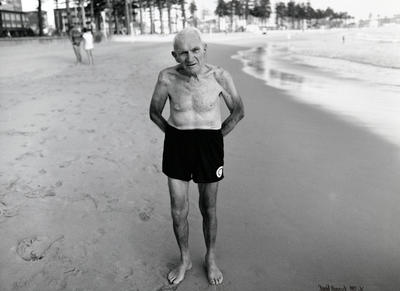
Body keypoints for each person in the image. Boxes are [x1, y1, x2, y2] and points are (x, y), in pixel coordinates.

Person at [149, 27, 244, 286]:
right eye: (182, 53)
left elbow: (238, 111)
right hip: (177, 144)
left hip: (208, 145)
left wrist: (215, 138)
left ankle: (210, 258)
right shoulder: (166, 77)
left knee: (208, 208)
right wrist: (174, 138)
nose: (189, 57)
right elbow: (155, 112)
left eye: (195, 50)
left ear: (205, 49)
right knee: (178, 210)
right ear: (174, 54)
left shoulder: (220, 77)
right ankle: (185, 259)